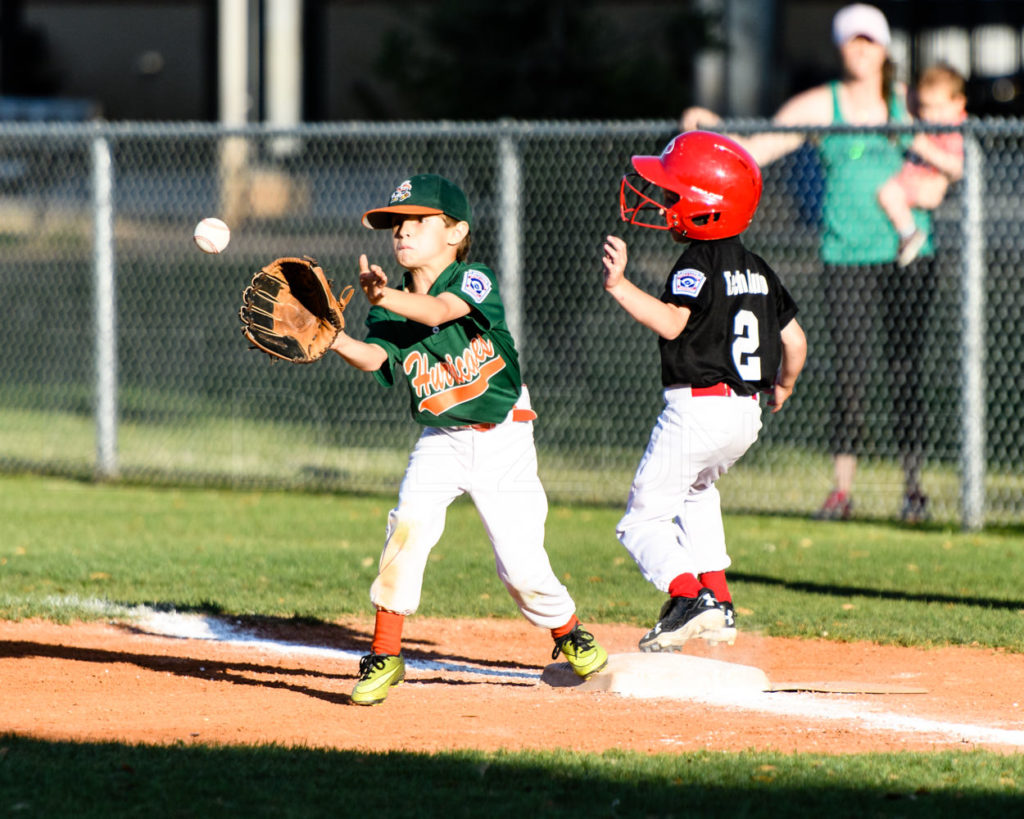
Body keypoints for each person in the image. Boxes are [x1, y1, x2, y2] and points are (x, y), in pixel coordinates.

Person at [329, 173, 607, 705]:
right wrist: (334, 338)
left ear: (456, 232)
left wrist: (386, 292)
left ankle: (568, 632)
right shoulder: (388, 308)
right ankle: (385, 655)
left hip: (503, 436)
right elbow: (375, 358)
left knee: (521, 566)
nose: (401, 233)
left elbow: (438, 311)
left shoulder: (473, 278)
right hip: (442, 439)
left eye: (417, 222)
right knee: (407, 527)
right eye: (394, 225)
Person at [682, 2, 934, 523]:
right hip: (846, 253)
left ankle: (914, 488)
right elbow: (758, 149)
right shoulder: (824, 103)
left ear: (884, 48)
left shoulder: (906, 104)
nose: (860, 50)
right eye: (851, 40)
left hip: (909, 255)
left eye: (869, 40)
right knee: (851, 375)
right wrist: (709, 133)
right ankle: (842, 491)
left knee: (907, 372)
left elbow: (948, 146)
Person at [602, 131, 806, 651]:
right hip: (745, 414)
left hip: (697, 409)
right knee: (696, 493)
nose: (666, 203)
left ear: (706, 208)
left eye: (674, 195)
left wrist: (621, 286)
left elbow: (673, 323)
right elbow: (795, 341)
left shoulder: (697, 262)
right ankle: (720, 600)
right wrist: (783, 386)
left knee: (642, 519)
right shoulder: (760, 269)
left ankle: (689, 596)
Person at [877, 62, 967, 267]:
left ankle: (909, 233)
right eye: (925, 107)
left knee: (889, 194)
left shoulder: (955, 131)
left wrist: (920, 146)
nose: (930, 115)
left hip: (924, 182)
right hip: (916, 179)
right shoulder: (930, 124)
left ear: (958, 103)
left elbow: (955, 166)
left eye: (938, 107)